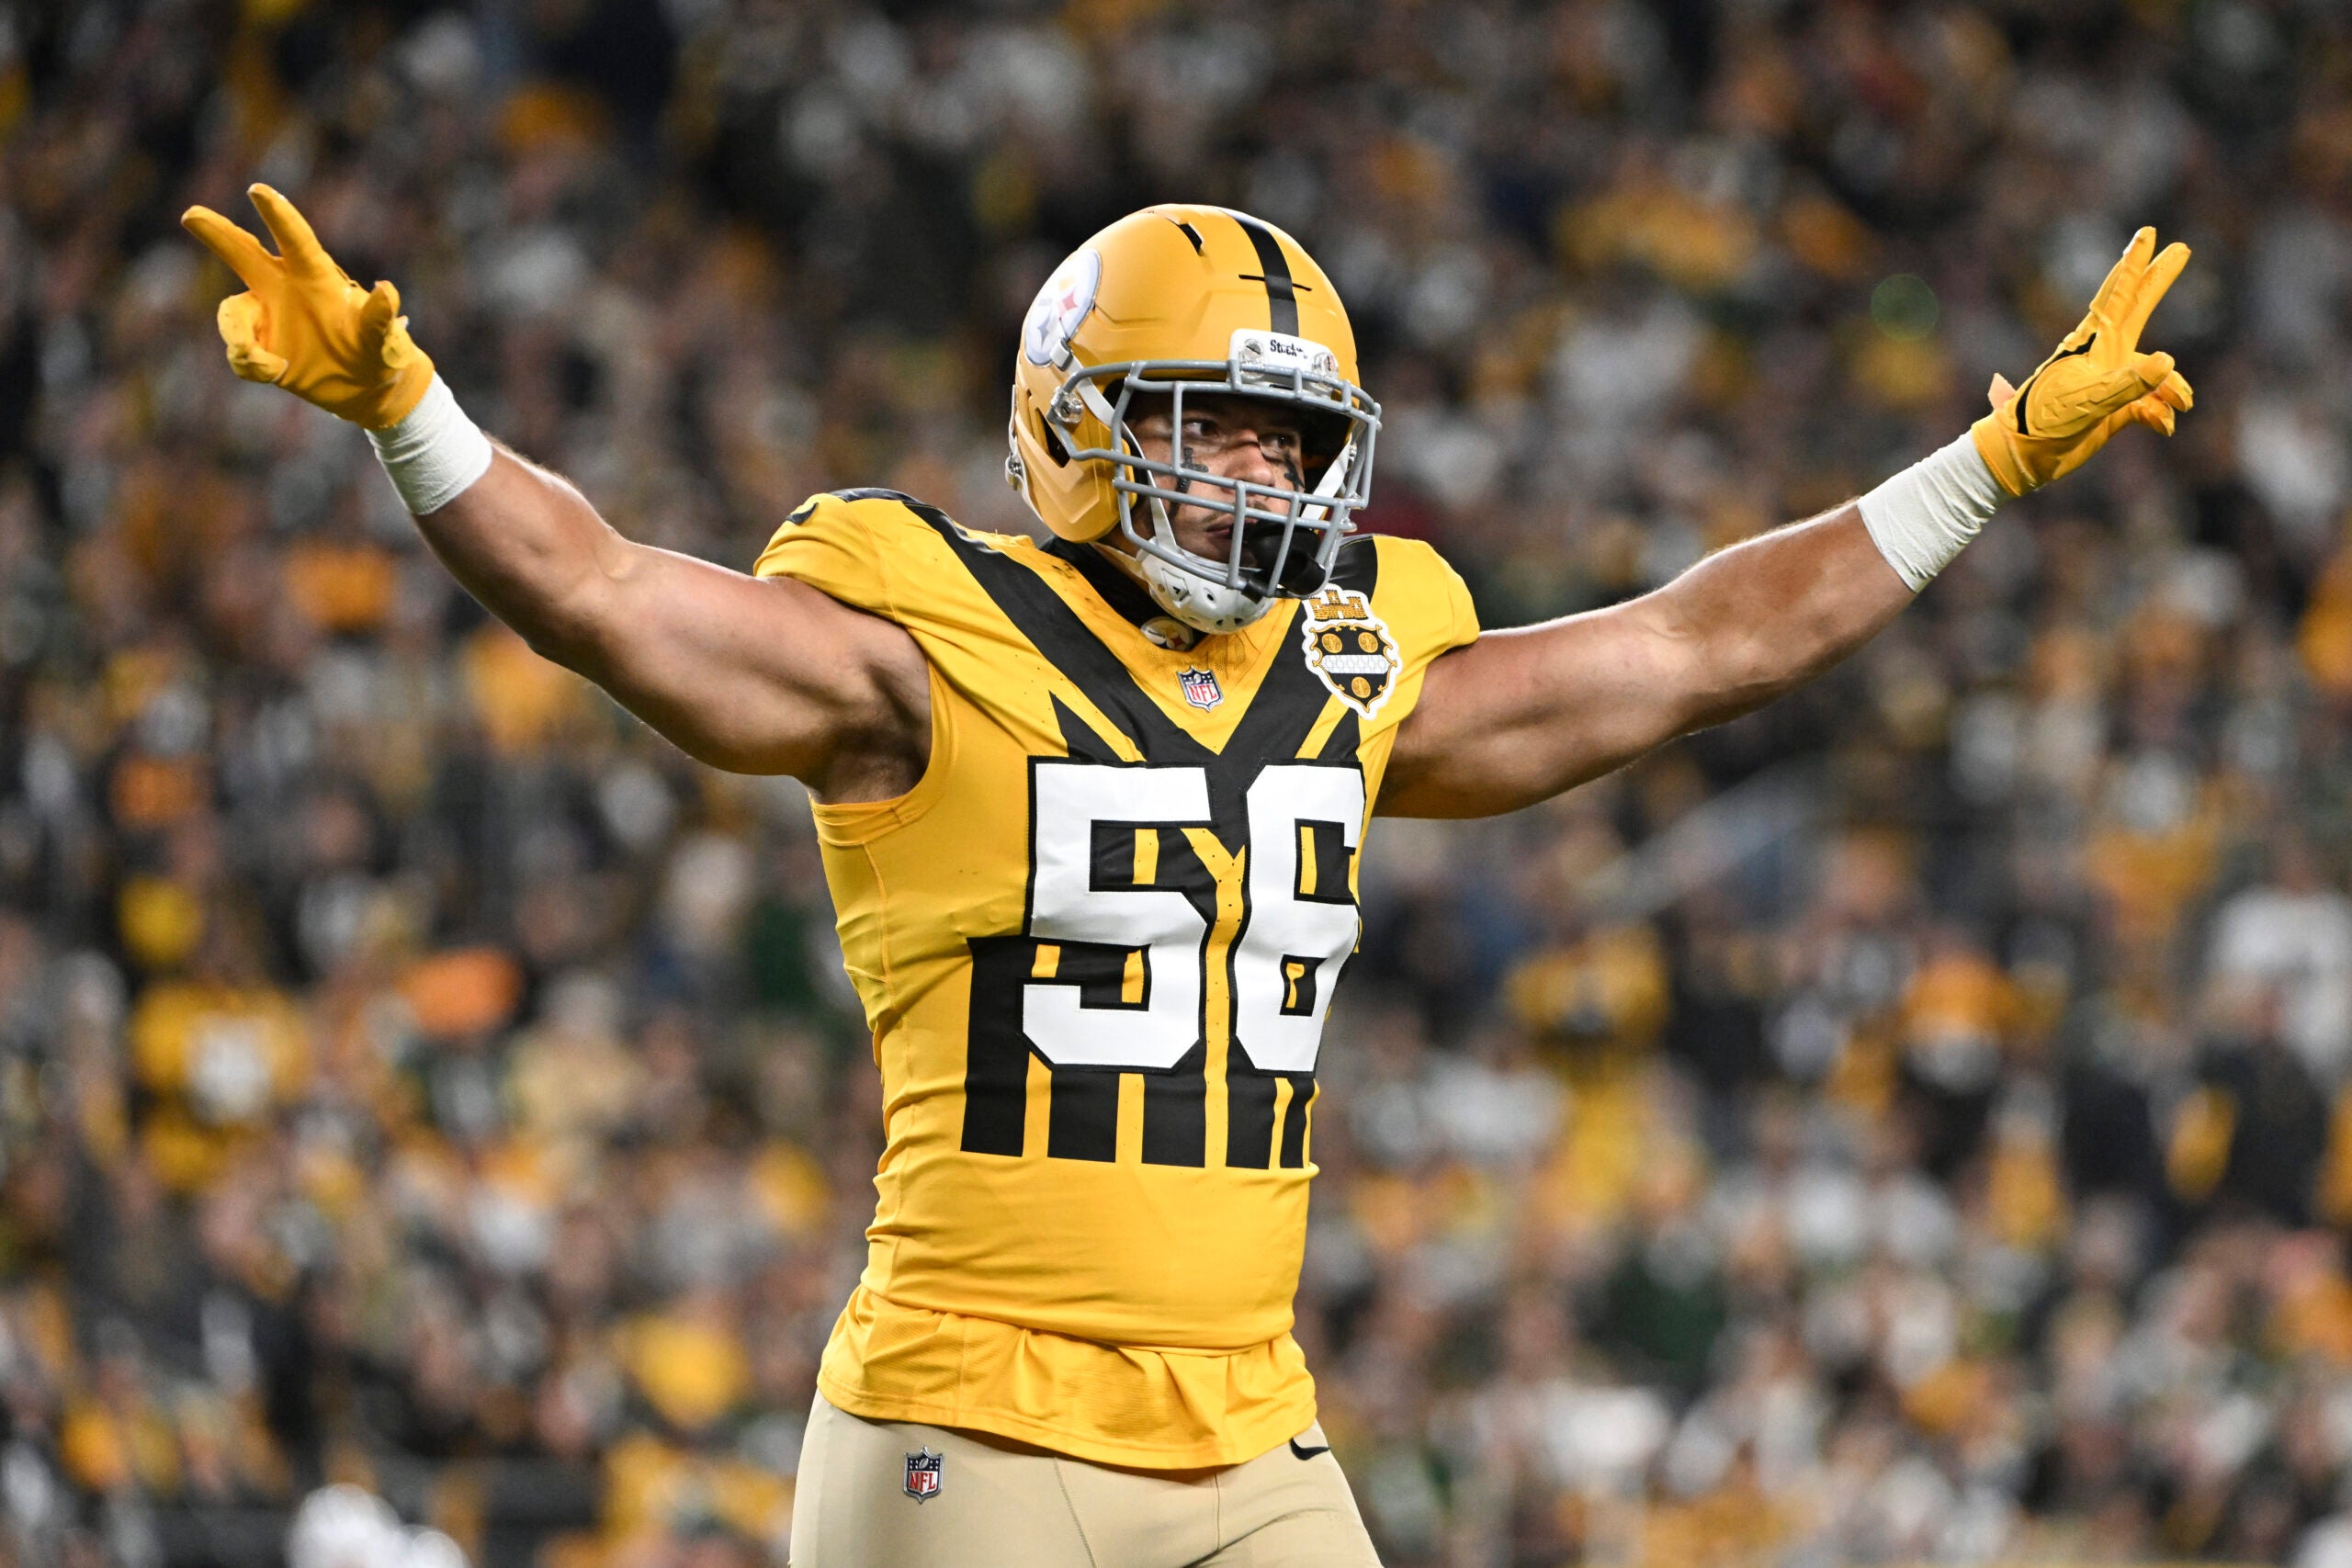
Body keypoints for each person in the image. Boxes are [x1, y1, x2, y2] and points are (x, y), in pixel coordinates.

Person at [182, 186, 2192, 1567]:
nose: (1260, 477)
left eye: (1287, 437)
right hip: (969, 1436)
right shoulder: (917, 629)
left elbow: (1690, 646)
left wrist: (1990, 455)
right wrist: (412, 417)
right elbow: (611, 594)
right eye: (1213, 426)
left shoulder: (1352, 656)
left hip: (1250, 1427)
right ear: (1076, 420)